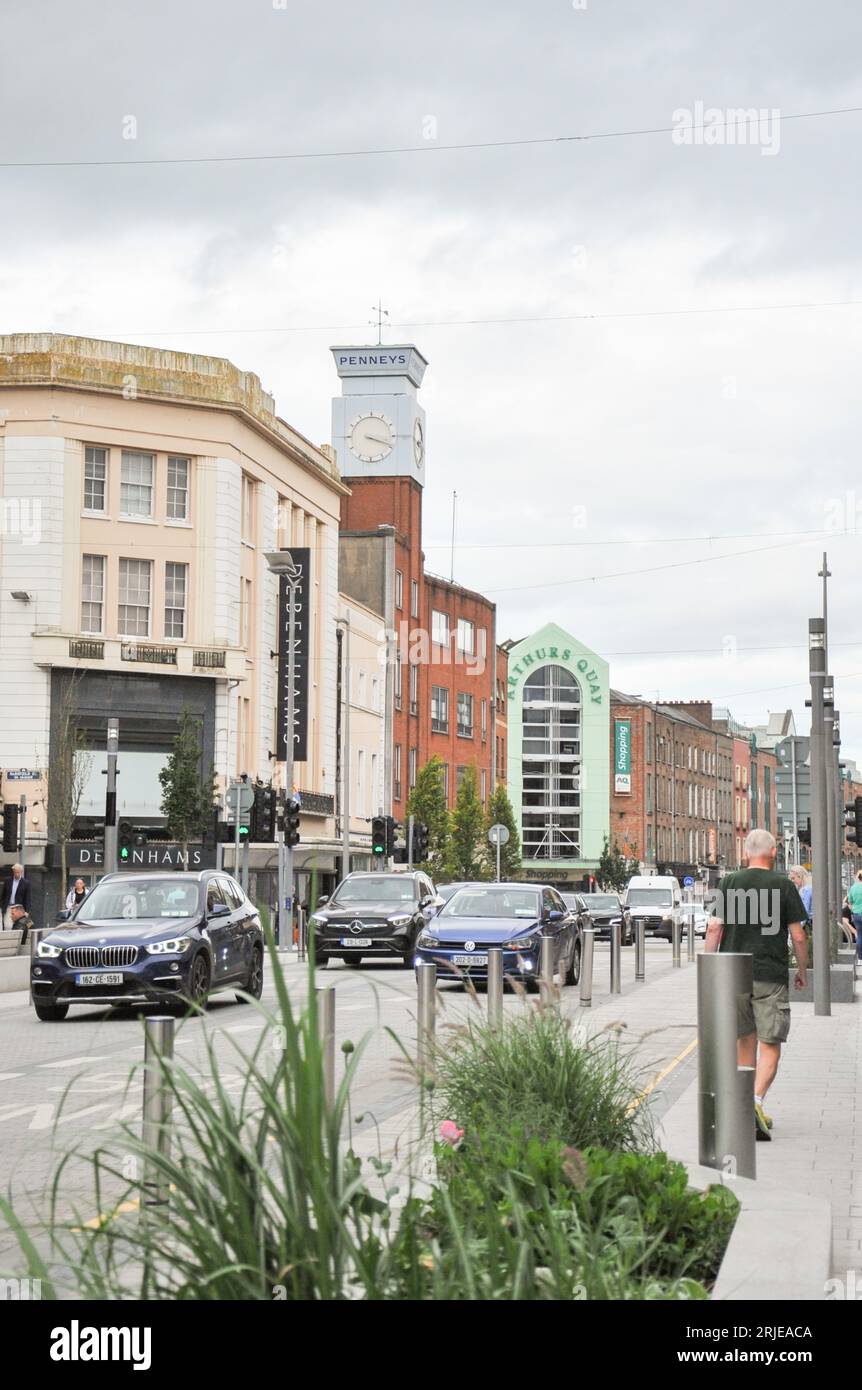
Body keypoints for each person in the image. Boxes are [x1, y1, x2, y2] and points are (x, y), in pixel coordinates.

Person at [705, 828, 808, 1143]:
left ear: (745, 852)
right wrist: (802, 969)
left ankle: (744, 1106)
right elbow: (798, 935)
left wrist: (710, 970)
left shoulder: (728, 883)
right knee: (771, 1043)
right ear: (774, 852)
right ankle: (755, 1101)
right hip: (769, 973)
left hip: (733, 973)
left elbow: (714, 929)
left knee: (744, 1041)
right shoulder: (783, 885)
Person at [1, 864, 31, 930]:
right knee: (7, 926)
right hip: (9, 907)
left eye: (18, 872)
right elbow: (3, 895)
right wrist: (2, 906)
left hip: (19, 908)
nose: (16, 874)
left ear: (21, 872)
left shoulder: (26, 883)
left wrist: (27, 911)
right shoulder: (8, 881)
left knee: (19, 925)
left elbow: (27, 898)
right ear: (13, 872)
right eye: (15, 872)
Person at [847, 870, 862, 963]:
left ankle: (860, 959)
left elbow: (849, 902)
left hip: (857, 915)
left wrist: (854, 910)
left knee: (859, 935)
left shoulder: (853, 888)